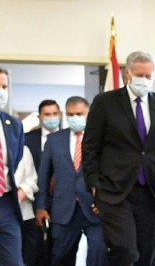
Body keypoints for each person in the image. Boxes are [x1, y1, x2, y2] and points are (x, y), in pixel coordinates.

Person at [83, 51, 155, 266]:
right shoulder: (105, 103)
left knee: (146, 257)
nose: (144, 80)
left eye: (149, 76)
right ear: (127, 73)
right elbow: (90, 147)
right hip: (115, 191)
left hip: (154, 192)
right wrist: (94, 184)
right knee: (126, 252)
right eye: (139, 75)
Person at [36, 97, 105, 266]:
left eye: (79, 114)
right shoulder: (54, 140)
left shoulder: (102, 139)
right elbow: (44, 175)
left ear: (88, 114)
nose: (75, 118)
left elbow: (110, 173)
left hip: (94, 208)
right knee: (60, 256)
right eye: (70, 115)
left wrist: (106, 200)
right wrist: (41, 206)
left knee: (98, 254)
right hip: (63, 208)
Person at [24, 99, 62, 266]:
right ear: (40, 116)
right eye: (47, 114)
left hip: (61, 201)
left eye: (54, 113)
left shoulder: (69, 138)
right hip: (33, 200)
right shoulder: (27, 139)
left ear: (60, 115)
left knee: (59, 249)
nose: (51, 117)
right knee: (33, 248)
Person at [0, 67, 25, 266]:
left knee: (13, 261)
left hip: (6, 204)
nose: (2, 91)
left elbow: (13, 162)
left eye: (4, 86)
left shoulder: (13, 125)